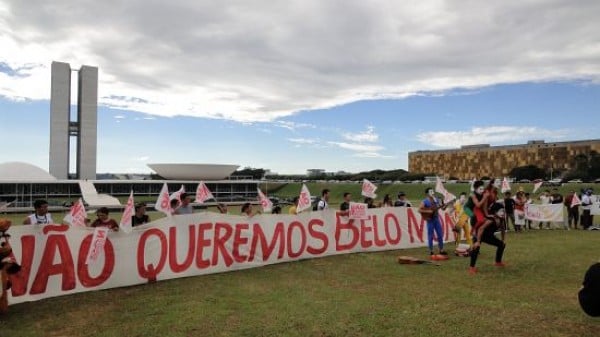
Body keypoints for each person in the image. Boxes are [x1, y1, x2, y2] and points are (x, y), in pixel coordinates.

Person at [469, 202, 507, 274]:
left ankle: (498, 262)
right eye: (501, 211)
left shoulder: (501, 219)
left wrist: (503, 240)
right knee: (476, 249)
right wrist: (477, 241)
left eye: (503, 211)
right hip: (478, 235)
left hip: (488, 236)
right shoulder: (490, 219)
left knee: (501, 244)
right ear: (495, 212)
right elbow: (480, 229)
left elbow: (502, 229)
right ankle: (472, 267)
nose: (503, 212)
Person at [418, 187, 448, 256]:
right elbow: (419, 210)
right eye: (430, 191)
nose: (432, 192)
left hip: (436, 219)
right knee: (430, 235)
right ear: (427, 193)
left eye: (432, 191)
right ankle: (431, 250)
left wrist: (446, 204)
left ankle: (441, 250)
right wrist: (428, 211)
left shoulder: (436, 199)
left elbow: (442, 208)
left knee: (440, 234)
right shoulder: (424, 201)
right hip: (430, 220)